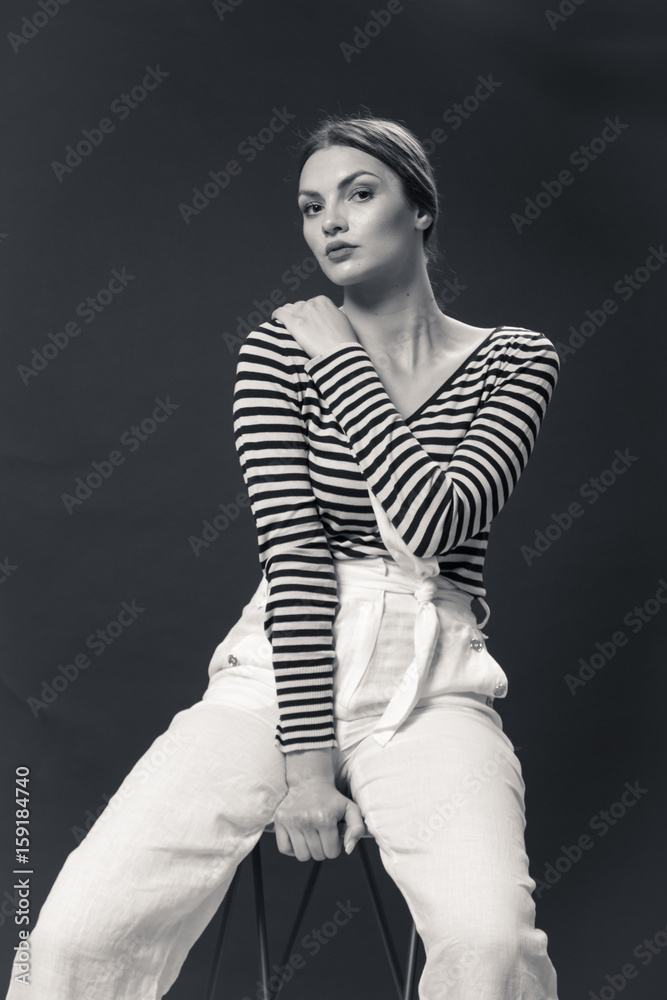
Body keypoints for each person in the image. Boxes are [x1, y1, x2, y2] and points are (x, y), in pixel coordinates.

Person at [5, 113, 561, 999]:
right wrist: (306, 767)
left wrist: (341, 358)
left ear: (419, 209)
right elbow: (296, 556)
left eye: (358, 193)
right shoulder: (274, 351)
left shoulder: (513, 360)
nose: (329, 222)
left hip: (432, 684)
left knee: (489, 941)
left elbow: (431, 526)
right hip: (278, 674)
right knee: (79, 931)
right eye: (310, 207)